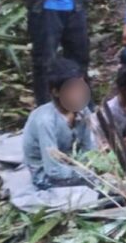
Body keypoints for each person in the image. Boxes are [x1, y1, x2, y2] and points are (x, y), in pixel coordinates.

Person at [23, 57, 94, 189]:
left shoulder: (82, 110)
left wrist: (92, 164)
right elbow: (53, 169)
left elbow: (89, 147)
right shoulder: (45, 121)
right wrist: (86, 173)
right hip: (47, 175)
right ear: (56, 92)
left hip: (73, 164)